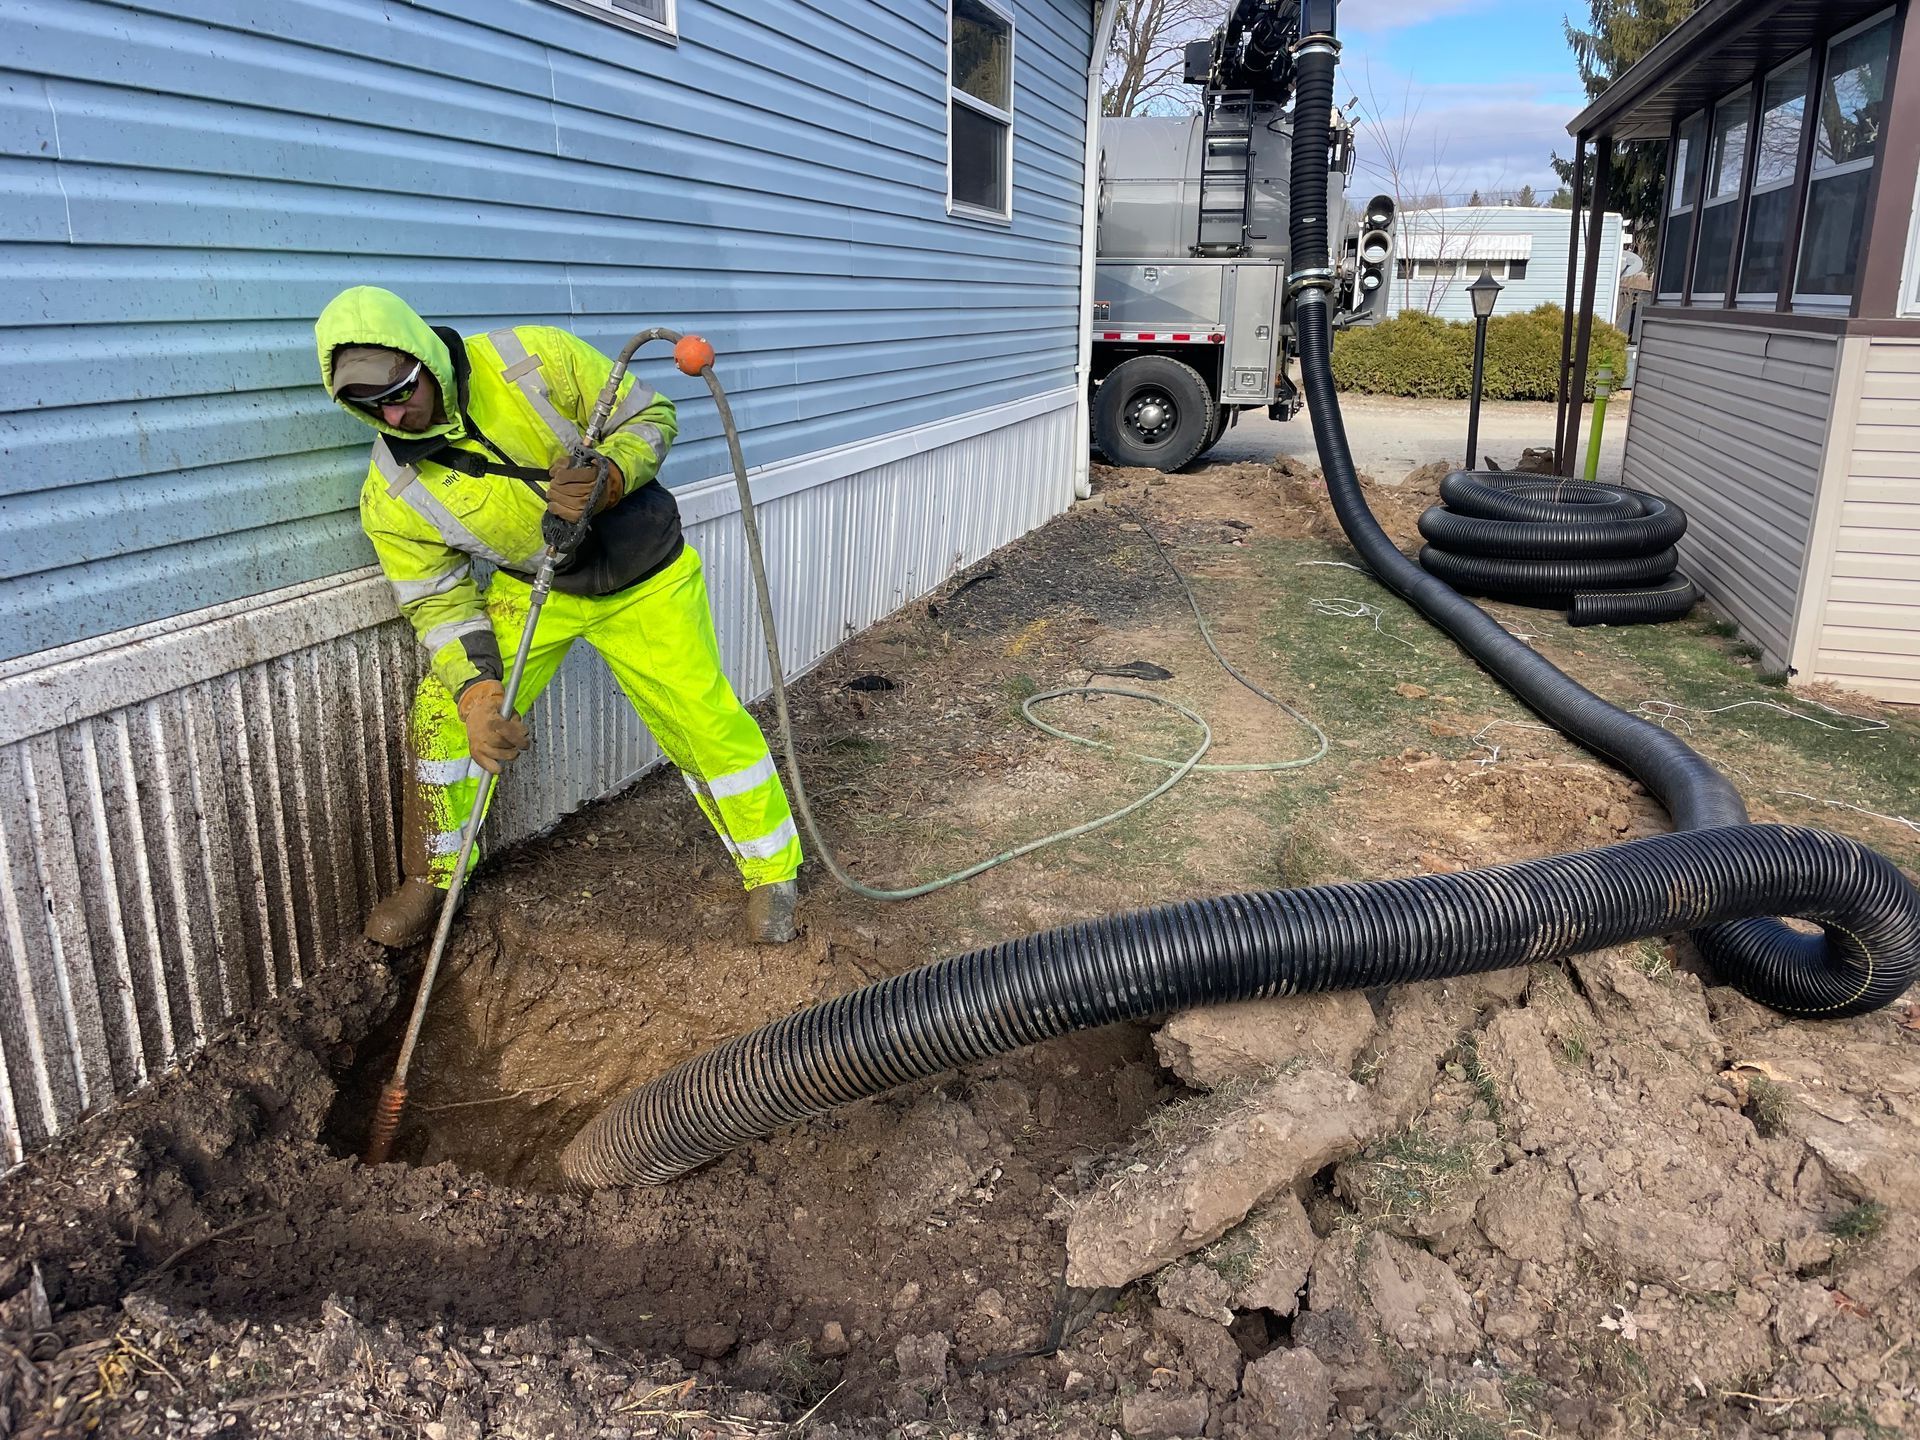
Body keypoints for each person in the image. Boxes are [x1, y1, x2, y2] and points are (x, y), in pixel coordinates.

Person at [313, 286, 802, 947]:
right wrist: (478, 689)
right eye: (369, 408)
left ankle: (772, 870)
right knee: (444, 714)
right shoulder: (394, 492)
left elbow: (652, 416)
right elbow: (437, 599)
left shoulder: (531, 358)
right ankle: (431, 875)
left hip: (644, 574)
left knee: (702, 718)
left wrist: (611, 477)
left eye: (400, 392)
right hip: (537, 585)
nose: (395, 416)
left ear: (423, 355)